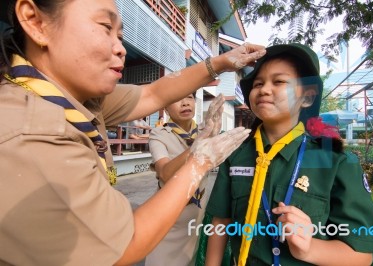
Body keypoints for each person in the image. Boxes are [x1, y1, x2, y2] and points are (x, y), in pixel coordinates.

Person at [0, 0, 266, 265]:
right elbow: (126, 243)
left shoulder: (77, 98)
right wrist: (199, 161)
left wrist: (219, 63)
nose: (120, 49)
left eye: (121, 36)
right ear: (35, 21)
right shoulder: (31, 133)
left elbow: (154, 93)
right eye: (105, 27)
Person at [205, 43, 373, 266]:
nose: (264, 89)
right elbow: (221, 222)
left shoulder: (333, 161)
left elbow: (362, 256)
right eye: (258, 83)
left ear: (307, 97)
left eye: (279, 81)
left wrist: (309, 249)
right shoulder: (236, 154)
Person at [146, 92, 224, 266]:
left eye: (189, 97)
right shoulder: (159, 134)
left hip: (197, 217)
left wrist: (209, 135)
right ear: (165, 108)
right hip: (169, 219)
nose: (184, 103)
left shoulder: (206, 131)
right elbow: (165, 173)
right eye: (175, 99)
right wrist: (195, 147)